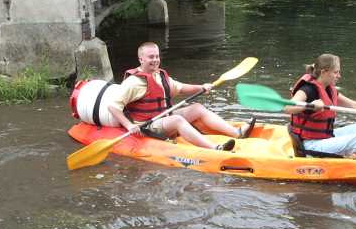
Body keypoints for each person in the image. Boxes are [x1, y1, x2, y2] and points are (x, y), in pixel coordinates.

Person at [108, 42, 256, 151]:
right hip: (148, 126)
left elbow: (181, 88)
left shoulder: (159, 74)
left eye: (157, 56)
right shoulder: (134, 81)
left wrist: (202, 87)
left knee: (197, 108)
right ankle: (215, 148)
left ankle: (237, 133)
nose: (155, 60)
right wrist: (129, 125)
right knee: (178, 120)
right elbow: (113, 106)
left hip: (164, 116)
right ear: (141, 59)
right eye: (150, 57)